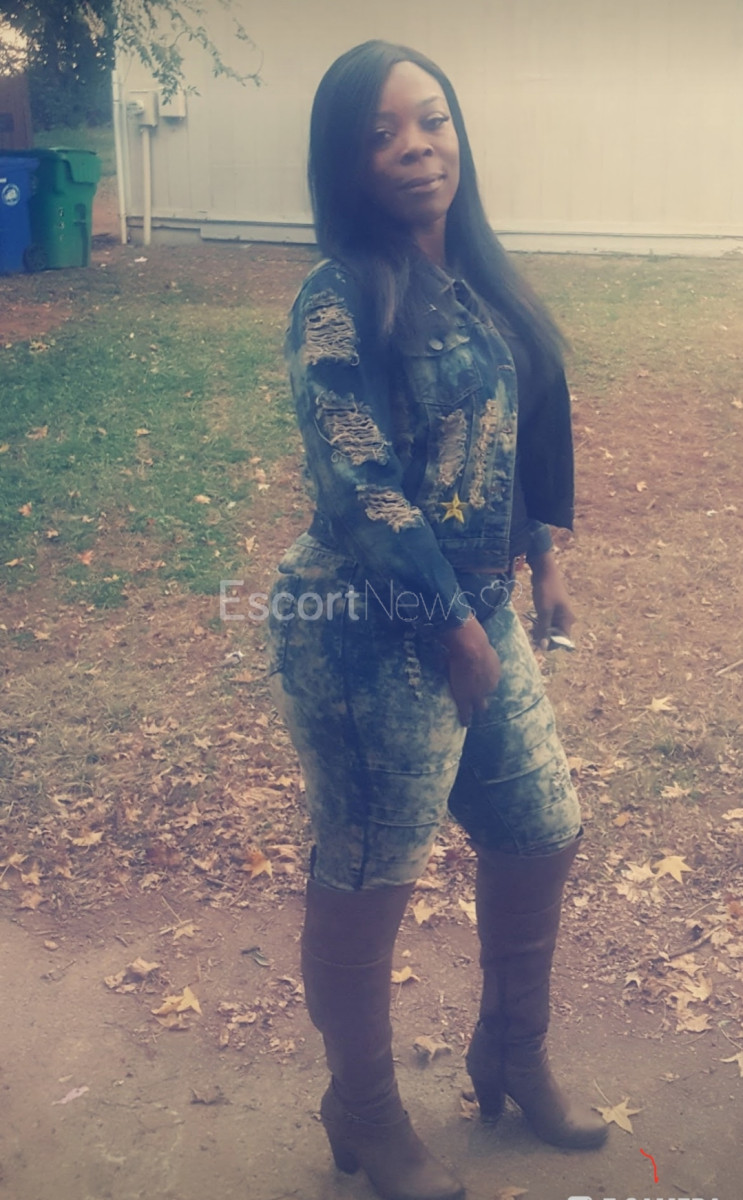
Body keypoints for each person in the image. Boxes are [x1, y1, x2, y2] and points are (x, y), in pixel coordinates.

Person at [266, 39, 607, 1200]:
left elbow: (531, 416)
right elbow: (357, 479)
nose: (415, 148)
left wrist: (542, 557)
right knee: (370, 868)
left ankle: (509, 1053)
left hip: (478, 609)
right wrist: (452, 629)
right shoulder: (338, 297)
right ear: (347, 164)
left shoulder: (481, 278)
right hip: (364, 628)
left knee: (541, 826)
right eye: (381, 135)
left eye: (431, 120)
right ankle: (361, 1111)